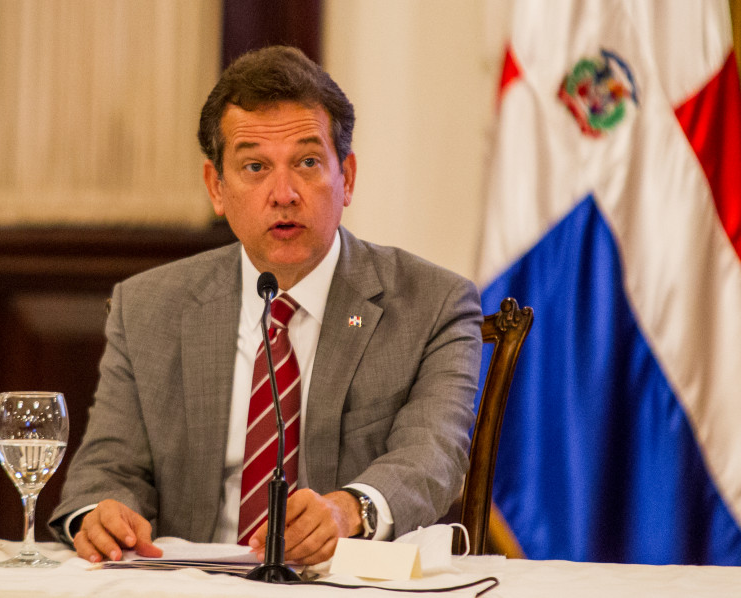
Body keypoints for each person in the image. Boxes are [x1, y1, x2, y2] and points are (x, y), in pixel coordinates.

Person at [50, 45, 482, 566]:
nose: (284, 193)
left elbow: (432, 456)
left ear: (346, 177)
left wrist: (348, 510)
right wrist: (101, 514)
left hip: (343, 583)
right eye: (255, 166)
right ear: (216, 188)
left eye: (307, 162)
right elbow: (107, 468)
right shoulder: (147, 307)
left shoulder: (431, 305)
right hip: (186, 584)